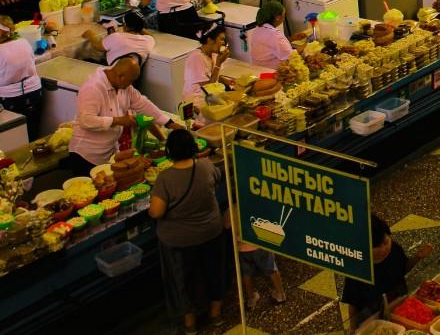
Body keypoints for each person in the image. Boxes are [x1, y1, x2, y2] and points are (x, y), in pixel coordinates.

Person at [148, 129, 226, 335]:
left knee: (183, 280)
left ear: (170, 152)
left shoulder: (165, 178)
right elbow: (216, 180)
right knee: (214, 271)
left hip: (179, 241)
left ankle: (190, 324)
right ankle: (216, 314)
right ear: (193, 148)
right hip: (210, 231)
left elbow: (156, 212)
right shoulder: (206, 166)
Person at [68, 58, 176, 175]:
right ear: (121, 76)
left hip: (109, 153)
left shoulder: (124, 86)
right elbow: (86, 121)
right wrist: (118, 120)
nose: (131, 85)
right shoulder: (93, 88)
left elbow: (143, 104)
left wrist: (169, 123)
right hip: (86, 156)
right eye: (130, 81)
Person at [342, 214, 433, 329]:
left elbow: (402, 269)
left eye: (385, 242)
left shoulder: (394, 249)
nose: (383, 249)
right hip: (372, 318)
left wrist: (417, 257)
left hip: (399, 308)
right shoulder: (357, 267)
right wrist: (353, 329)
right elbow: (353, 303)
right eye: (376, 247)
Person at [0, 16, 42, 138]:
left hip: (10, 99)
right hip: (34, 92)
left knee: (16, 135)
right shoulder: (24, 42)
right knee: (33, 131)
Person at [182, 23, 229, 107]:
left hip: (209, 98)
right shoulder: (196, 57)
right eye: (221, 39)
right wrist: (218, 63)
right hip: (196, 103)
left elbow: (213, 76)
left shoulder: (213, 54)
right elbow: (209, 87)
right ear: (209, 40)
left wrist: (228, 81)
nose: (224, 43)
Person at [86, 9, 155, 66]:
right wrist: (138, 26)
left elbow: (97, 46)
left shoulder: (116, 37)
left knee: (88, 60)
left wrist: (89, 34)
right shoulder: (148, 41)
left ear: (125, 26)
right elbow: (150, 36)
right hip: (132, 76)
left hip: (113, 72)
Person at [238, 239, 286, 310]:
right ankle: (280, 294)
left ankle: (251, 298)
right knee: (271, 268)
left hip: (241, 248)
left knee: (246, 274)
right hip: (259, 244)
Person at [248, 1, 292, 69]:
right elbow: (291, 57)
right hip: (272, 72)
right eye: (283, 15)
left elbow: (274, 45)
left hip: (258, 69)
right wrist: (306, 46)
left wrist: (292, 39)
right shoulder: (275, 35)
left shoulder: (257, 29)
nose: (284, 18)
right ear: (277, 17)